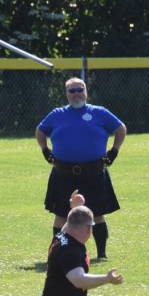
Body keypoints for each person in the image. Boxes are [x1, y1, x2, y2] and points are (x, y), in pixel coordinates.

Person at [36, 77, 126, 260]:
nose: (76, 93)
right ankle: (58, 252)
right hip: (63, 172)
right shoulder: (57, 114)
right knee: (61, 214)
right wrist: (45, 150)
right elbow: (40, 130)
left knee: (98, 214)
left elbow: (120, 129)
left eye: (80, 89)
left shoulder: (99, 112)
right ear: (66, 94)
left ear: (86, 91)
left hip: (94, 172)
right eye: (72, 91)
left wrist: (114, 151)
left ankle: (102, 254)